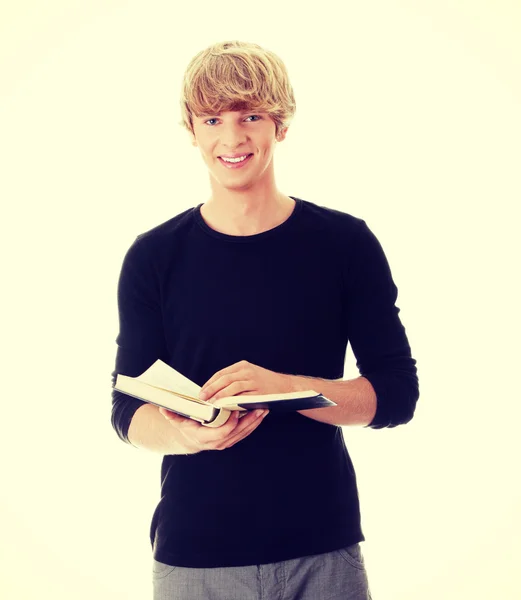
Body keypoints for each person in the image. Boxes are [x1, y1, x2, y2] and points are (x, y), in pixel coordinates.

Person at [111, 40, 419, 600]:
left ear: (281, 125)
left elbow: (397, 395)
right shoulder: (153, 257)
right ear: (192, 130)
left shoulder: (344, 244)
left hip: (322, 553)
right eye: (213, 118)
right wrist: (183, 436)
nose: (232, 138)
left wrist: (290, 390)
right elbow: (127, 407)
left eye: (251, 116)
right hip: (195, 559)